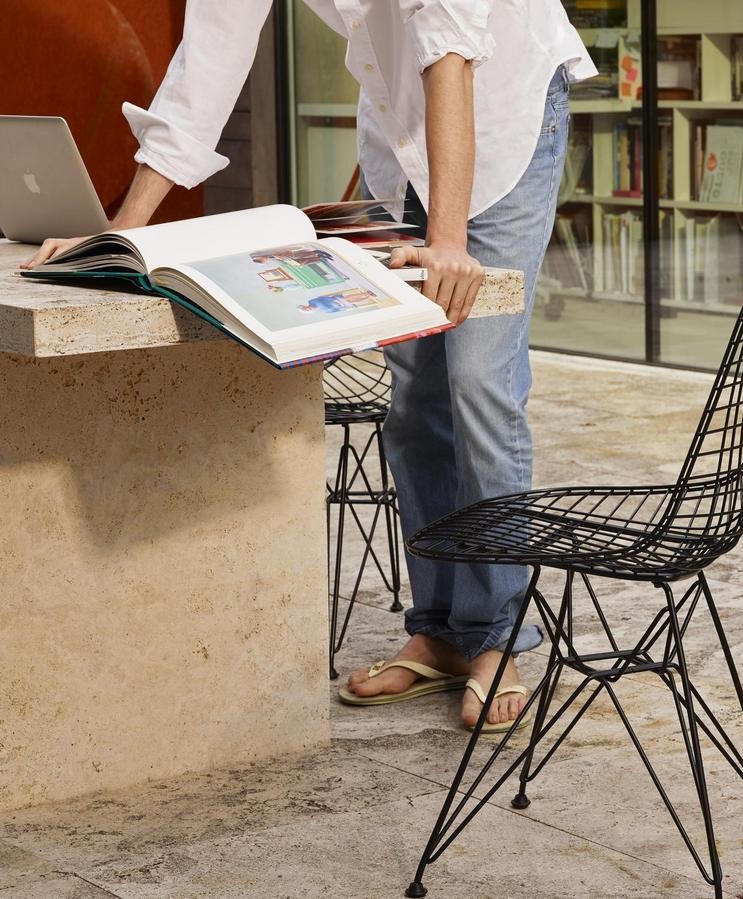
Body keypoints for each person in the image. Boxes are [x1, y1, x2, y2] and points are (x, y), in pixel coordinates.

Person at [24, 1, 596, 733]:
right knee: (417, 398)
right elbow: (209, 62)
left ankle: (499, 637)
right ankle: (442, 631)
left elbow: (450, 47)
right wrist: (119, 235)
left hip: (503, 108)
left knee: (481, 384)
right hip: (404, 130)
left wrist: (448, 238)